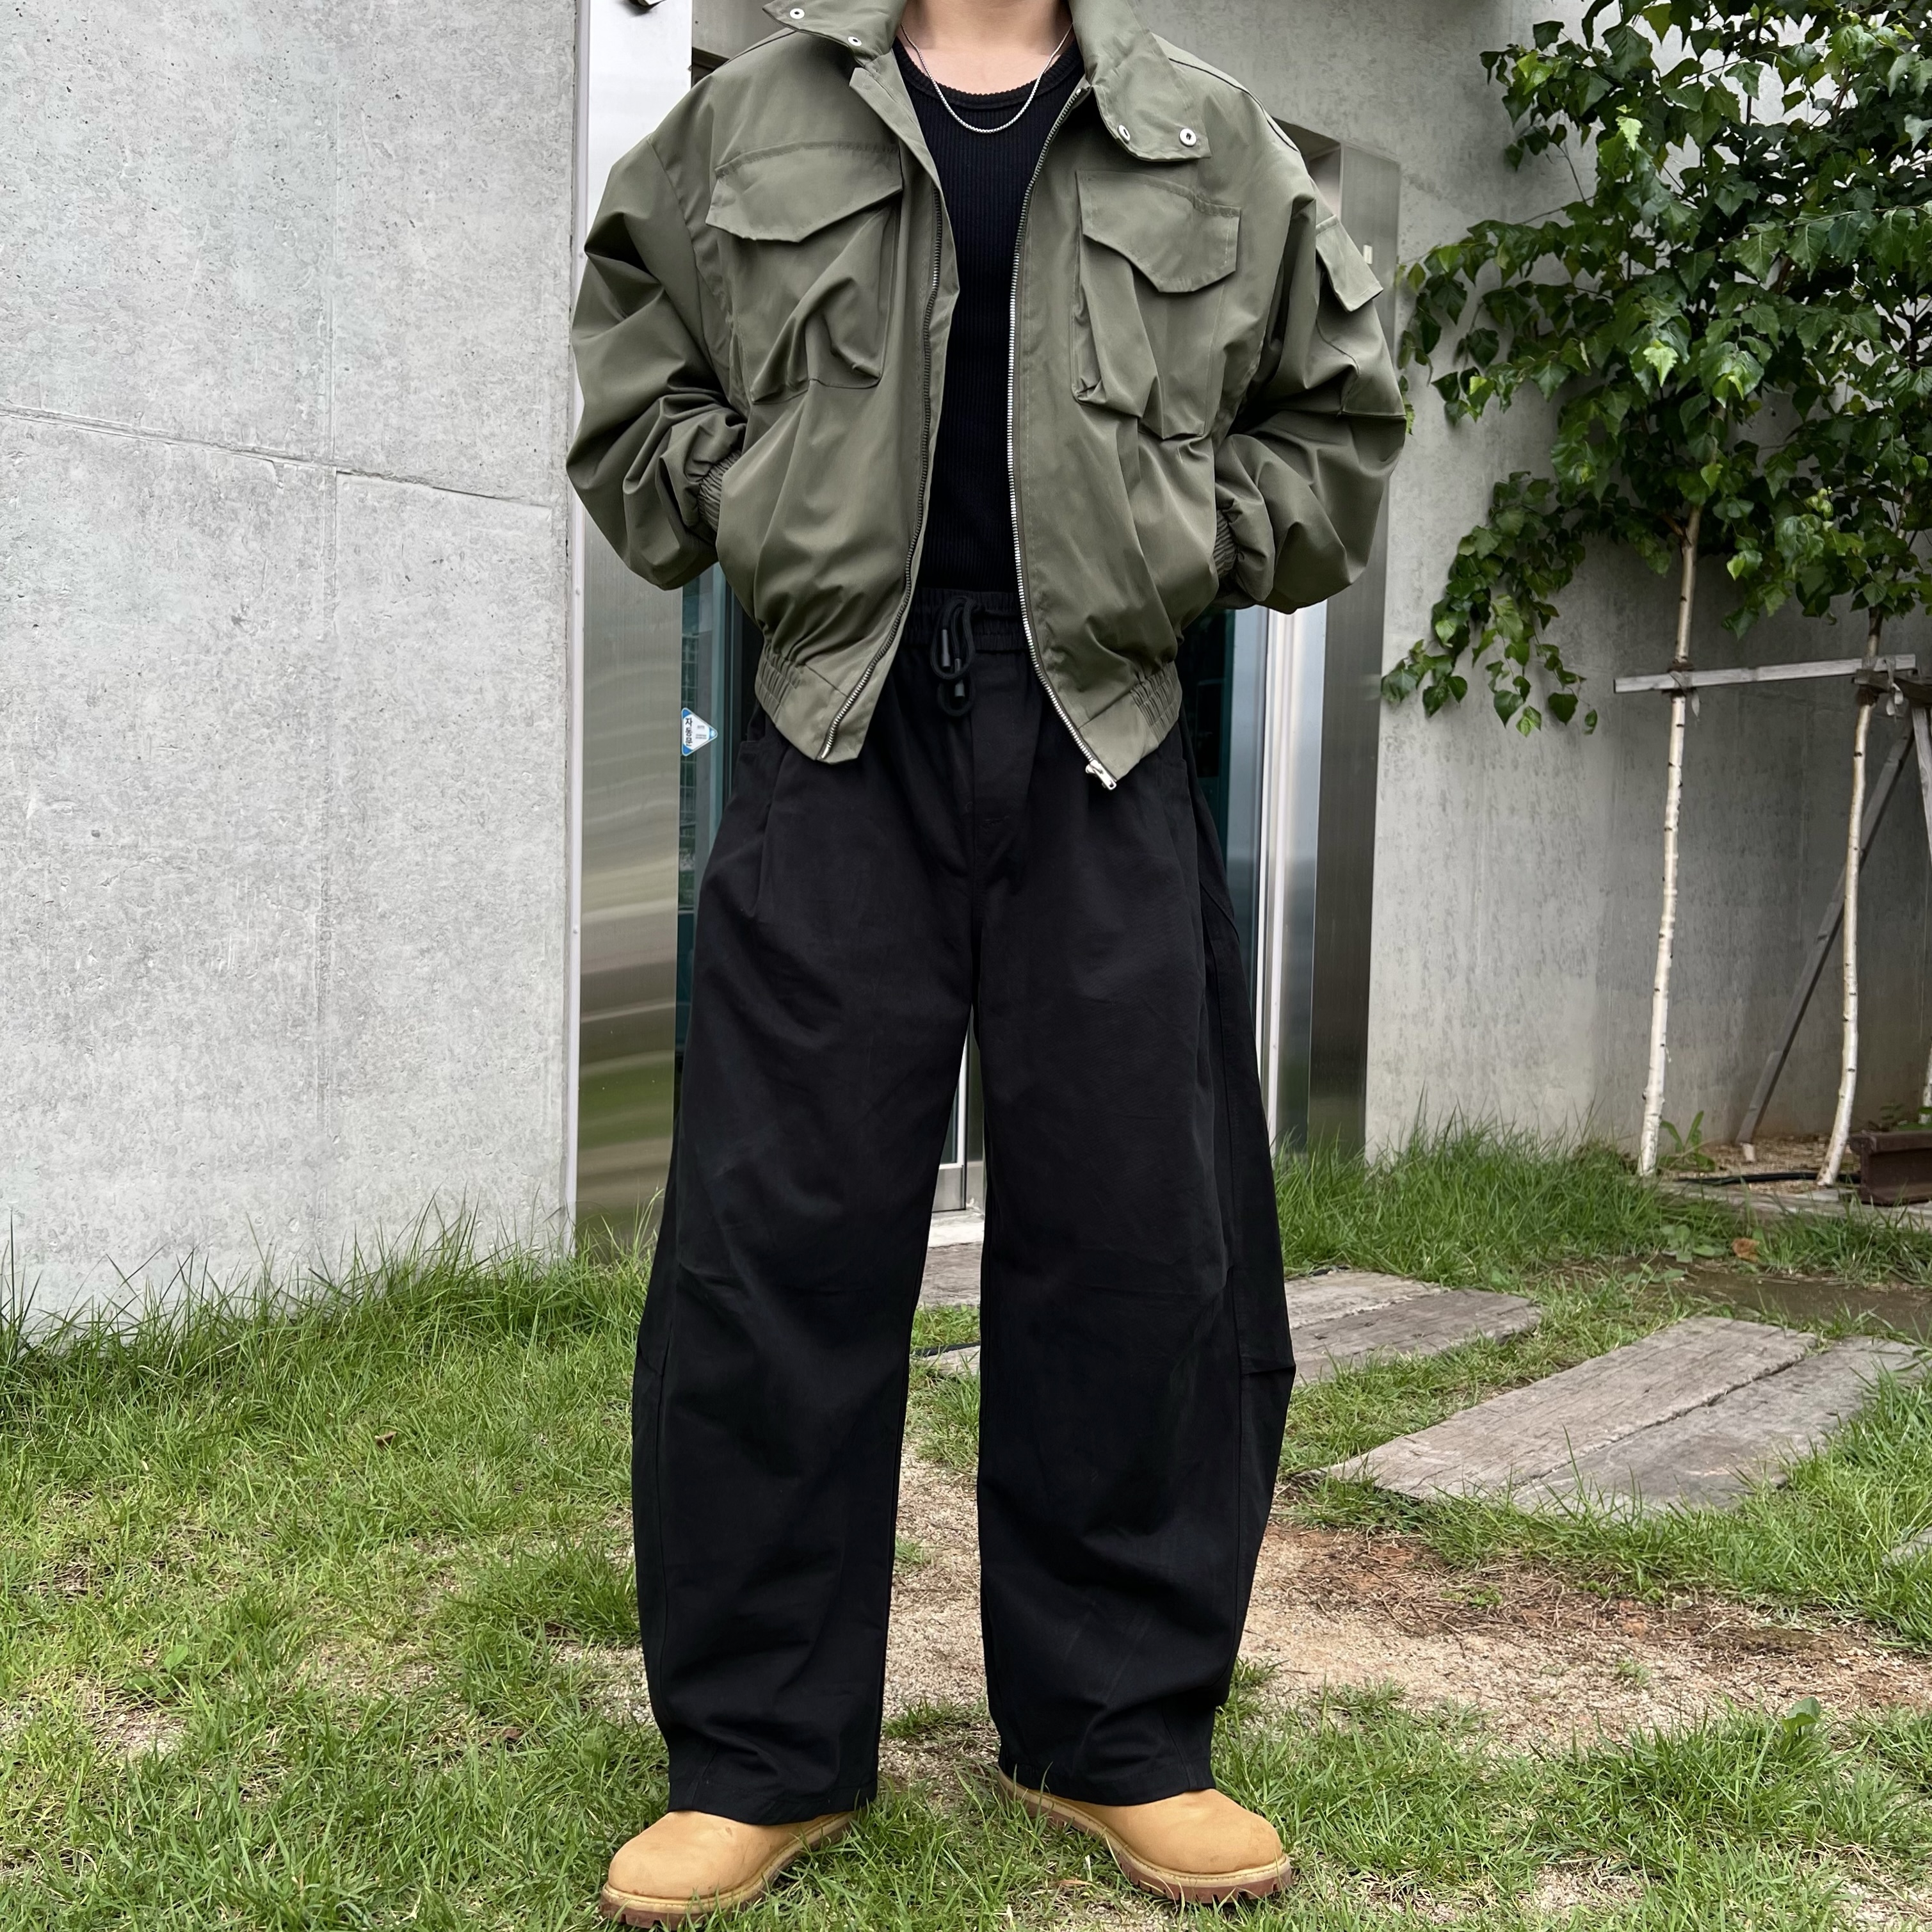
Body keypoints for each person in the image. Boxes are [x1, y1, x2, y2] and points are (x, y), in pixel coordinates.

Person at [569, 0, 1402, 1917]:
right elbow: (631, 381)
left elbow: (1339, 424)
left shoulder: (1205, 132)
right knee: (773, 1239)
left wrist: (1185, 534)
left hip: (1103, 730)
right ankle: (759, 1753)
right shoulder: (753, 118)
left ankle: (1113, 1733)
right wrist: (756, 505)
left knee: (1138, 1231)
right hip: (833, 730)